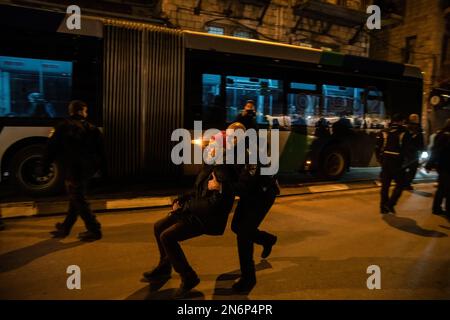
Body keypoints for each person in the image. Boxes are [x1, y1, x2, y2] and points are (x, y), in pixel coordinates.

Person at [143, 165, 234, 298]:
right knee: (159, 226)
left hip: (206, 218)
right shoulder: (209, 166)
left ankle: (188, 277)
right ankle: (164, 266)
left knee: (167, 237)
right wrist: (180, 199)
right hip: (194, 210)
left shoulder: (223, 171)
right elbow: (197, 191)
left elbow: (215, 204)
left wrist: (186, 206)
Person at [227, 122, 279, 293]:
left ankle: (248, 279)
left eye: (231, 137)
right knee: (236, 226)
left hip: (262, 196)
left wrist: (221, 187)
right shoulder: (235, 150)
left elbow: (245, 185)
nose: (227, 140)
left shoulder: (252, 153)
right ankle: (267, 239)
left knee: (243, 232)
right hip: (251, 194)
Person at [42, 100, 106, 241]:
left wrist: (45, 166)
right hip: (86, 170)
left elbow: (50, 148)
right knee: (75, 198)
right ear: (80, 111)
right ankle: (66, 227)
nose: (86, 113)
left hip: (72, 169)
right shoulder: (92, 128)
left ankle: (94, 230)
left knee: (78, 198)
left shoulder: (63, 127)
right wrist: (99, 169)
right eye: (85, 111)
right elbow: (101, 151)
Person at [375, 114, 412, 214]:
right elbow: (408, 150)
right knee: (400, 184)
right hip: (397, 162)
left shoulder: (384, 132)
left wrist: (380, 160)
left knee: (385, 185)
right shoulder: (405, 132)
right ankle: (390, 204)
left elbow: (377, 148)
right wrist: (407, 163)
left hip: (386, 161)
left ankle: (383, 207)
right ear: (401, 121)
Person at [426, 119, 450, 217]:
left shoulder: (440, 134)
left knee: (442, 188)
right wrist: (429, 164)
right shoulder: (445, 136)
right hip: (446, 166)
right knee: (447, 189)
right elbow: (436, 150)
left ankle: (436, 208)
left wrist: (430, 164)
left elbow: (435, 150)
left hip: (442, 165)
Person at [404, 114, 425, 190]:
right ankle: (407, 183)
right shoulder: (419, 129)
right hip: (414, 152)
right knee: (413, 169)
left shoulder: (406, 128)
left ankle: (404, 183)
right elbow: (421, 141)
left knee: (406, 168)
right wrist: (422, 150)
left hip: (405, 152)